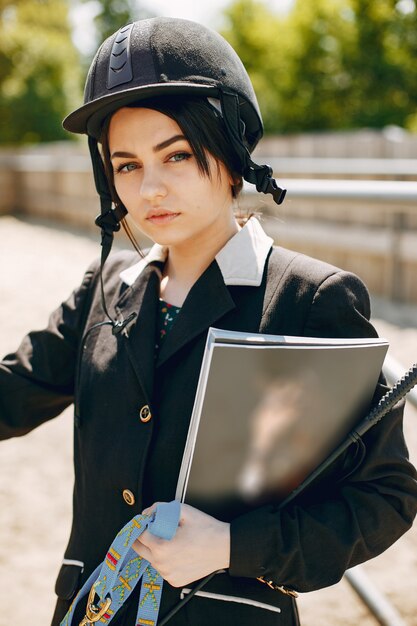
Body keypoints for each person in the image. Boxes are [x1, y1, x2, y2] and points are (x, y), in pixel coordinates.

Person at [1, 16, 416, 626]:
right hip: (91, 611)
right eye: (126, 165)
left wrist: (231, 546)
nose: (150, 189)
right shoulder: (105, 289)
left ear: (230, 150)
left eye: (177, 155)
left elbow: (385, 495)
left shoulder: (309, 301)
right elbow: (13, 390)